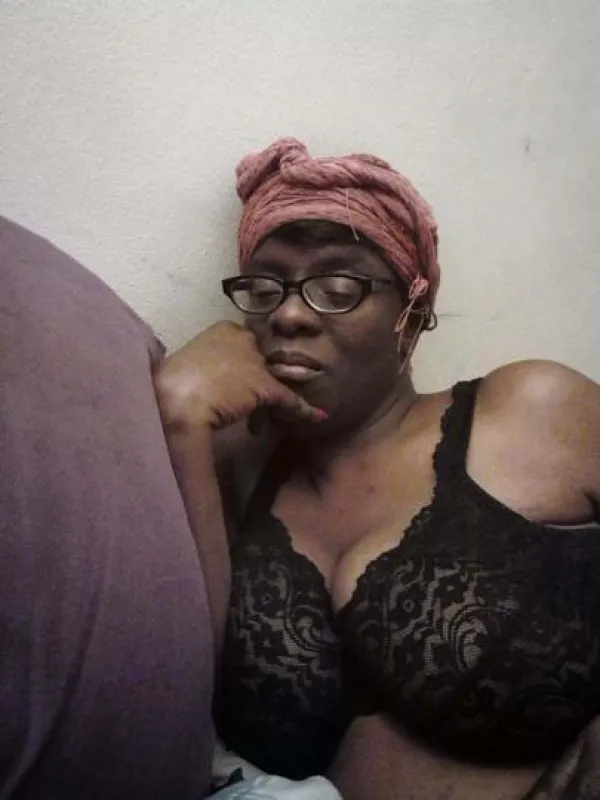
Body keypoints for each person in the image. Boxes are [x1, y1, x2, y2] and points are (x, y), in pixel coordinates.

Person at [154, 138, 600, 800]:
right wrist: (183, 419)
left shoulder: (532, 410)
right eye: (265, 288)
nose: (289, 314)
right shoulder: (233, 470)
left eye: (339, 287)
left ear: (411, 316)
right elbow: (178, 708)